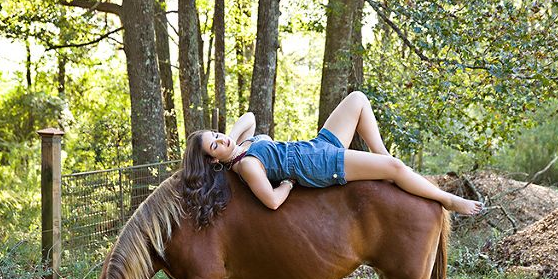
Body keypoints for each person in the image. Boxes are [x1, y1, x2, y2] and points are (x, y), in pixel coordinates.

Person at [176, 91, 483, 228]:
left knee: (358, 99)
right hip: (319, 165)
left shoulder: (240, 146)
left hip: (317, 144)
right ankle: (447, 199)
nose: (221, 139)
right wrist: (287, 182)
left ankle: (383, 156)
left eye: (216, 134)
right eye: (214, 146)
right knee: (396, 169)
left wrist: (228, 140)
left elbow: (250, 117)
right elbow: (271, 201)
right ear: (214, 161)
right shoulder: (247, 165)